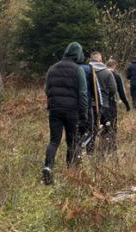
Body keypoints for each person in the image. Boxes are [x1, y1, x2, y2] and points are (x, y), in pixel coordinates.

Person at [42, 42, 88, 185]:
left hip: (54, 110)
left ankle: (48, 166)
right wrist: (84, 114)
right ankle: (71, 171)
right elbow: (83, 94)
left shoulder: (52, 69)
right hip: (71, 111)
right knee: (72, 142)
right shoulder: (78, 70)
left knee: (54, 141)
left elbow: (46, 89)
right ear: (78, 54)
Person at [89, 52, 117, 153]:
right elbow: (113, 89)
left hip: (89, 105)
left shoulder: (86, 71)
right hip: (104, 104)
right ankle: (104, 150)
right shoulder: (107, 72)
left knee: (91, 129)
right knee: (106, 128)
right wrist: (106, 96)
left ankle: (90, 151)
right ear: (100, 60)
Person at [104, 58, 131, 151]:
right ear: (114, 66)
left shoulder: (99, 74)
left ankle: (102, 145)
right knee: (113, 124)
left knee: (102, 124)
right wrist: (126, 104)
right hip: (112, 103)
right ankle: (112, 146)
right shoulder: (116, 76)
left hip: (101, 103)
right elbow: (121, 92)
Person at [79, 51, 103, 154]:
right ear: (100, 60)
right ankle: (89, 150)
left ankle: (81, 148)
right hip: (92, 104)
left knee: (83, 128)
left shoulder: (81, 69)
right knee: (92, 129)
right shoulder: (93, 70)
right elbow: (97, 90)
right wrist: (101, 105)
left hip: (80, 104)